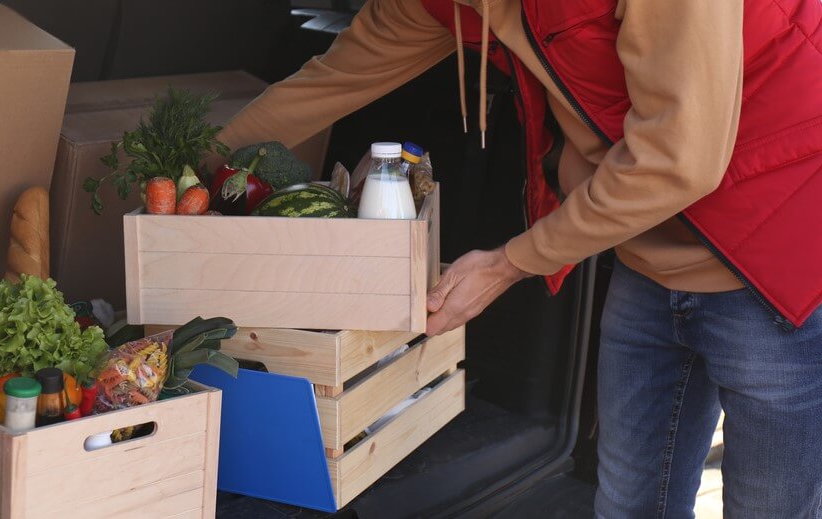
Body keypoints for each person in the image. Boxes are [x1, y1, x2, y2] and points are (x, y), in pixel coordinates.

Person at [215, 0, 822, 517]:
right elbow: (327, 83)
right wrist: (192, 170)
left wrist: (509, 264)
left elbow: (682, 159)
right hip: (648, 258)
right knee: (626, 502)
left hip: (783, 258)